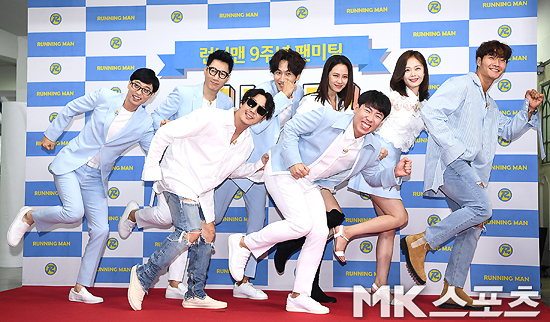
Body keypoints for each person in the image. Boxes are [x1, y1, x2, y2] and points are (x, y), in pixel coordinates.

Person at [228, 90, 412, 314]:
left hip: (310, 183)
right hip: (283, 170)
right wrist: (294, 161)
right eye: (368, 110)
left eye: (378, 116)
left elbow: (373, 177)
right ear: (356, 107)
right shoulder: (327, 117)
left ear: (381, 122)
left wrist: (394, 173)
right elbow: (291, 129)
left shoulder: (370, 147)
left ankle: (299, 296)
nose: (370, 118)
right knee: (302, 224)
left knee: (317, 233)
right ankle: (244, 243)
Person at [400, 40, 544, 311]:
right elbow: (430, 112)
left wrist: (529, 109)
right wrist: (455, 149)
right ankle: (420, 242)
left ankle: (453, 290)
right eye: (491, 57)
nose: (496, 64)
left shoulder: (491, 103)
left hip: (470, 170)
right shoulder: (462, 85)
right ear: (478, 60)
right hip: (453, 163)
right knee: (482, 208)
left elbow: (507, 133)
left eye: (502, 60)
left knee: (472, 226)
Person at [6, 68, 160, 304]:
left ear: (150, 96)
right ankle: (29, 216)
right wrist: (51, 135)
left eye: (146, 91)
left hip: (95, 178)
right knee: (74, 212)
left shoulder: (145, 122)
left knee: (101, 230)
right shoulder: (106, 96)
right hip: (71, 164)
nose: (139, 92)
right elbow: (71, 108)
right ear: (129, 84)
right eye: (137, 85)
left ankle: (79, 289)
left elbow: (154, 152)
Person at [126, 89, 275, 311]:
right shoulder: (211, 117)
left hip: (201, 189)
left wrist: (257, 167)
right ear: (243, 102)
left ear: (263, 118)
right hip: (178, 176)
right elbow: (166, 133)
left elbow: (231, 170)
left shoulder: (247, 144)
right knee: (190, 231)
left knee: (207, 234)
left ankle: (195, 293)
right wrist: (151, 169)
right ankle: (143, 276)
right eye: (251, 103)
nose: (252, 110)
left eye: (260, 109)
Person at [117, 50, 234, 300]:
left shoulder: (226, 104)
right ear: (205, 69)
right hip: (175, 167)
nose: (216, 77)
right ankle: (133, 215)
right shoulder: (184, 93)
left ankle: (175, 284)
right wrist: (170, 129)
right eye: (213, 70)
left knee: (187, 225)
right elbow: (156, 118)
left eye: (222, 74)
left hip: (200, 175)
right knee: (171, 219)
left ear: (227, 78)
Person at [334, 50, 430, 302]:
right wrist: (373, 146)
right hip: (378, 160)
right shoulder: (391, 96)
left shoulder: (424, 104)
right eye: (407, 69)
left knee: (388, 228)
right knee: (400, 217)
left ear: (424, 72)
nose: (413, 74)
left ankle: (380, 285)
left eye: (417, 68)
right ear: (400, 73)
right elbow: (366, 121)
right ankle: (347, 233)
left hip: (392, 165)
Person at [214, 49, 306, 300]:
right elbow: (260, 123)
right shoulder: (264, 93)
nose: (282, 78)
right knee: (213, 217)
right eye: (278, 72)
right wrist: (284, 96)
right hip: (238, 167)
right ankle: (189, 274)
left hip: (263, 171)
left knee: (256, 227)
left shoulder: (298, 96)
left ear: (297, 76)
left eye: (288, 73)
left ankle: (243, 281)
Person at [273, 54, 355, 303]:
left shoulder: (343, 106)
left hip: (321, 175)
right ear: (326, 76)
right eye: (335, 75)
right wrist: (296, 164)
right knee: (321, 224)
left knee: (330, 220)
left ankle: (292, 250)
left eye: (344, 76)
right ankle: (297, 263)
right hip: (303, 172)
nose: (340, 80)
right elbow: (293, 133)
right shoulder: (312, 101)